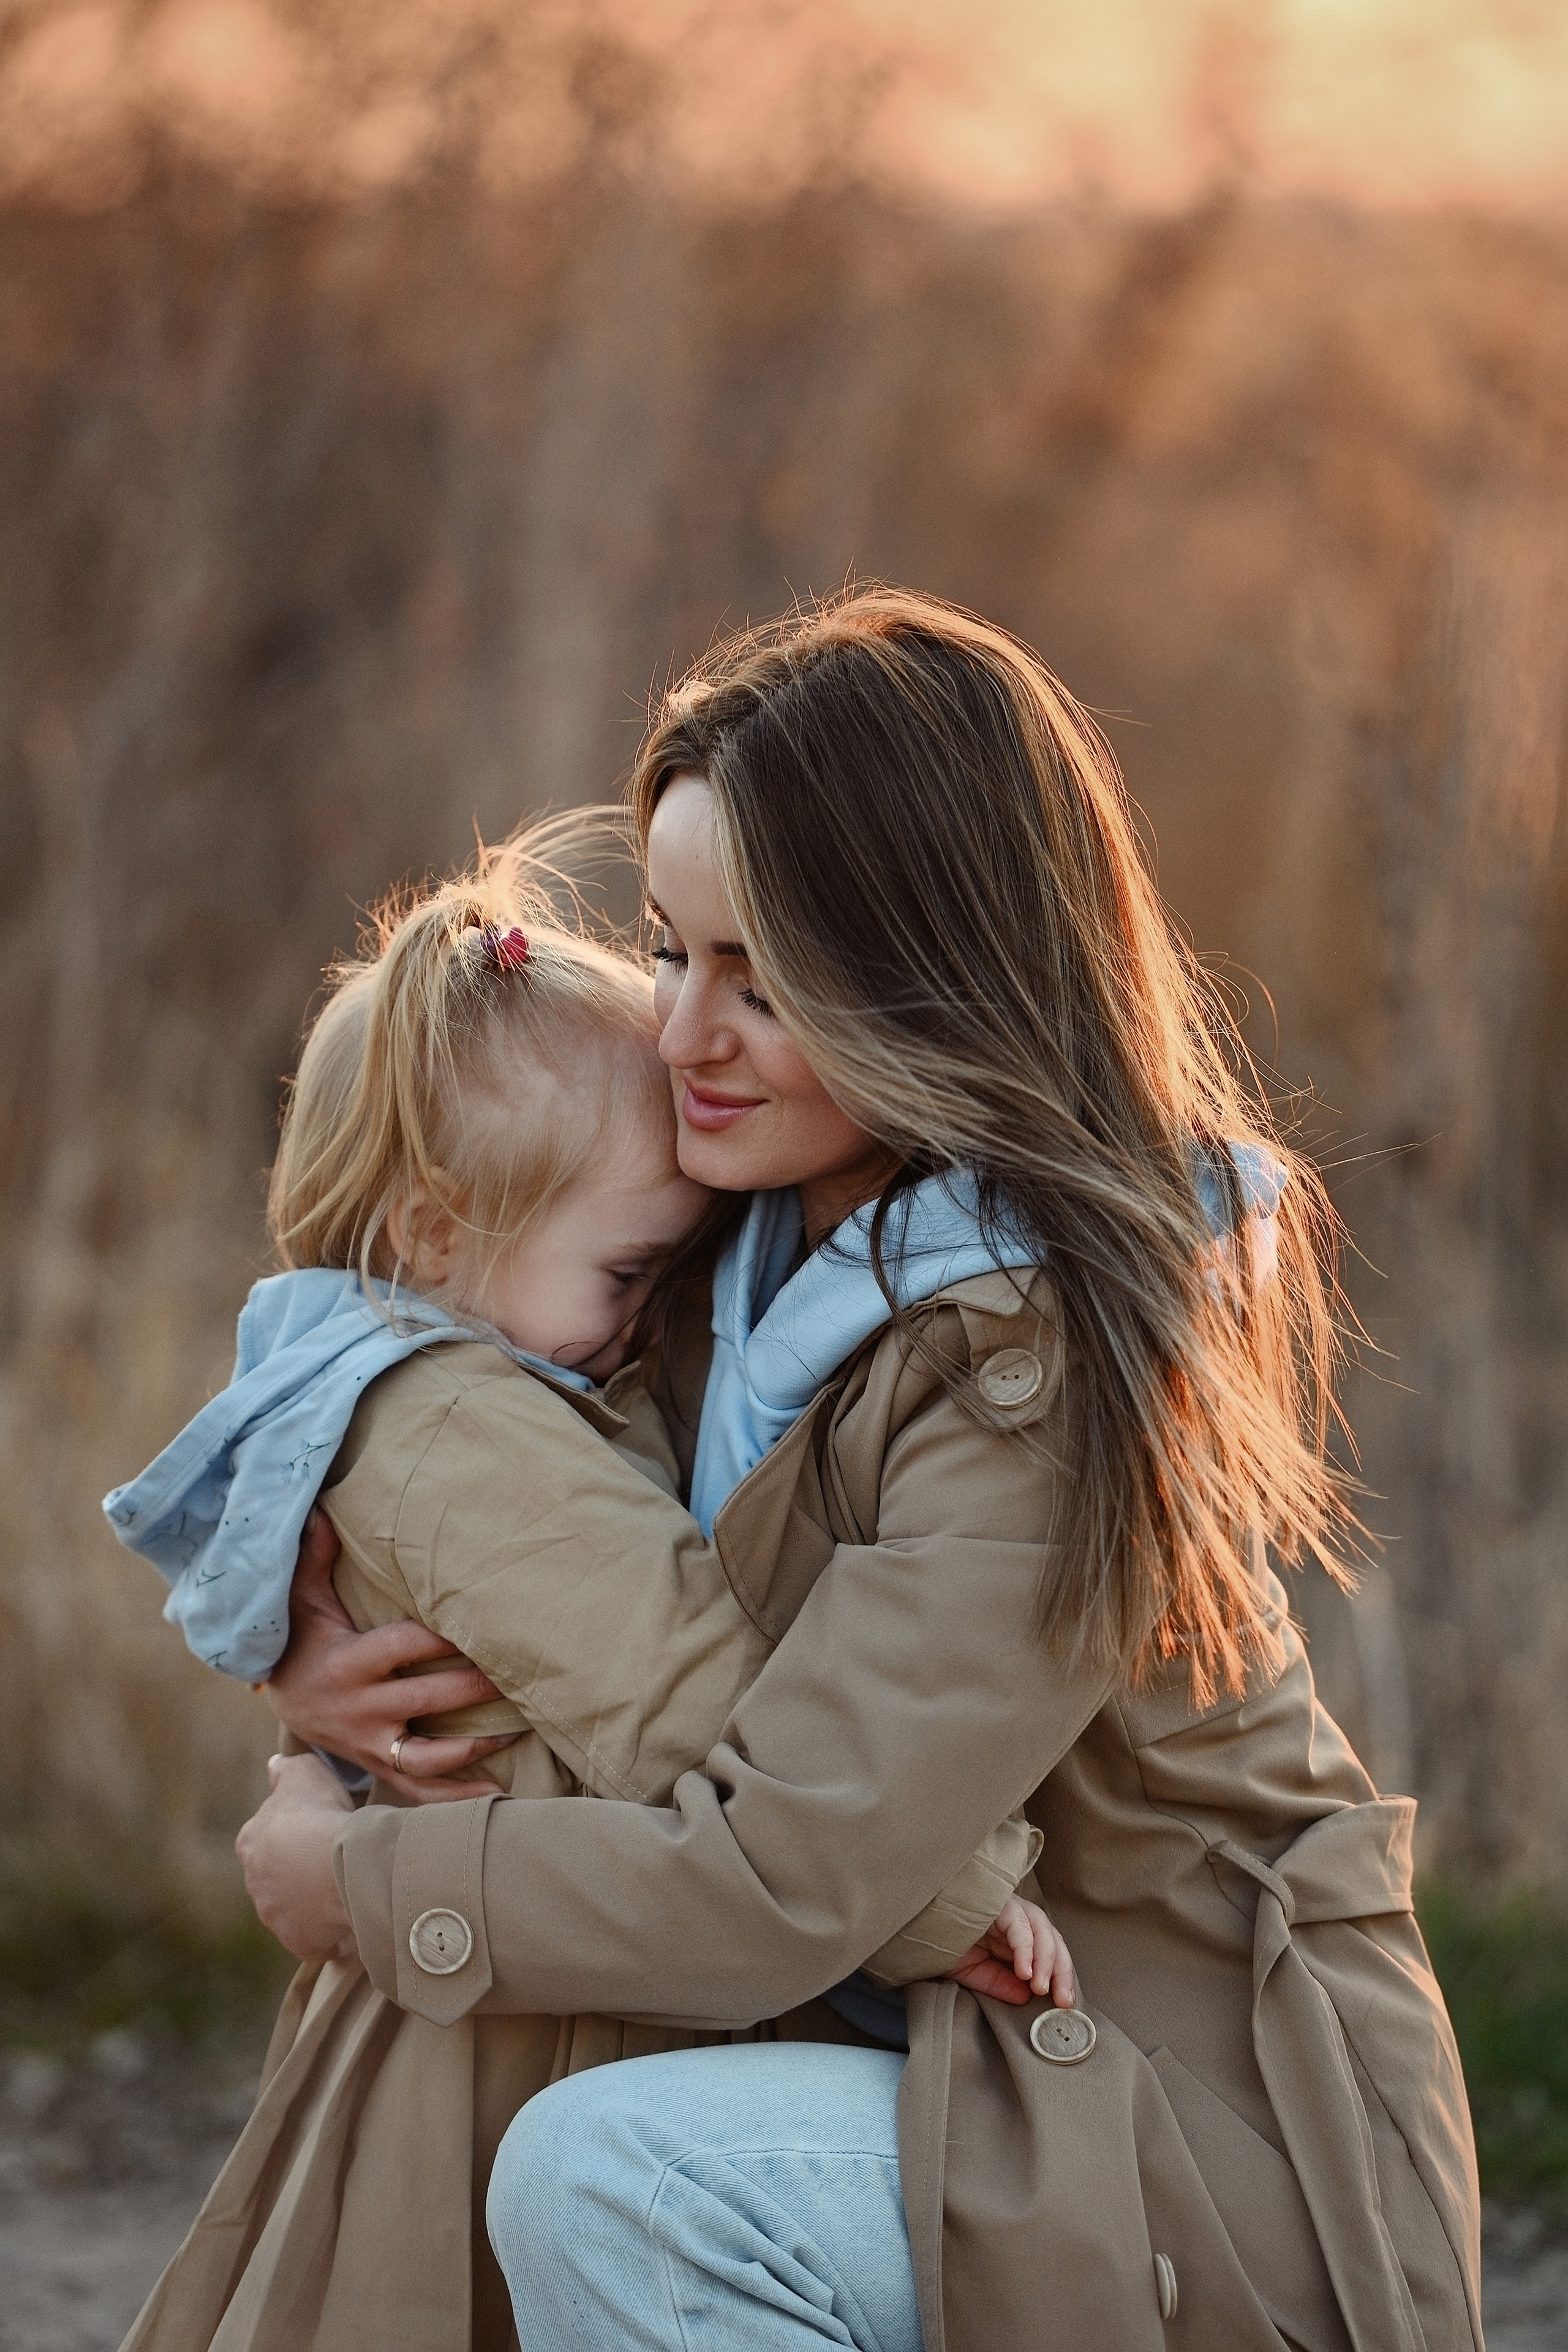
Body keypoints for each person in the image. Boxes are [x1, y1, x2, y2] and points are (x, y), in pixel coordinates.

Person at [239, 589, 1482, 2352]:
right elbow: (538, 1543)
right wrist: (332, 1703)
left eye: (767, 980)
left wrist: (355, 1890)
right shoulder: (706, 1243)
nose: (681, 1035)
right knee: (498, 2080)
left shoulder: (1037, 1364)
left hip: (1178, 2133)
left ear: (934, 978)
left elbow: (774, 1885)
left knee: (615, 2177)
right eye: (670, 952)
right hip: (931, 2062)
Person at [105, 832, 1068, 2352]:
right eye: (627, 1277)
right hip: (524, 2018)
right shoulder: (452, 1426)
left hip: (520, 1969)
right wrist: (945, 1902)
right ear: (434, 1232)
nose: (640, 1327)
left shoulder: (415, 1367)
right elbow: (666, 1670)